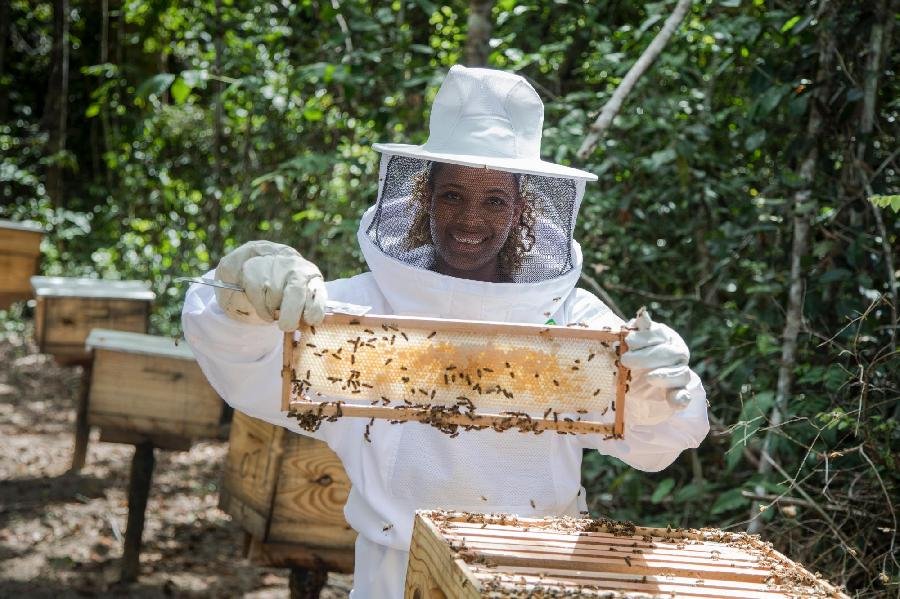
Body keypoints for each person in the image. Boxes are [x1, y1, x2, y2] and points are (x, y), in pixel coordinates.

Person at [182, 65, 709, 598]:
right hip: (397, 573)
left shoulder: (572, 318)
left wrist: (657, 381)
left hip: (534, 571)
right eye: (453, 195)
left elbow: (660, 441)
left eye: (494, 199)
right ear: (424, 197)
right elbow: (244, 363)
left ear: (522, 206)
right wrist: (243, 298)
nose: (470, 219)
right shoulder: (363, 308)